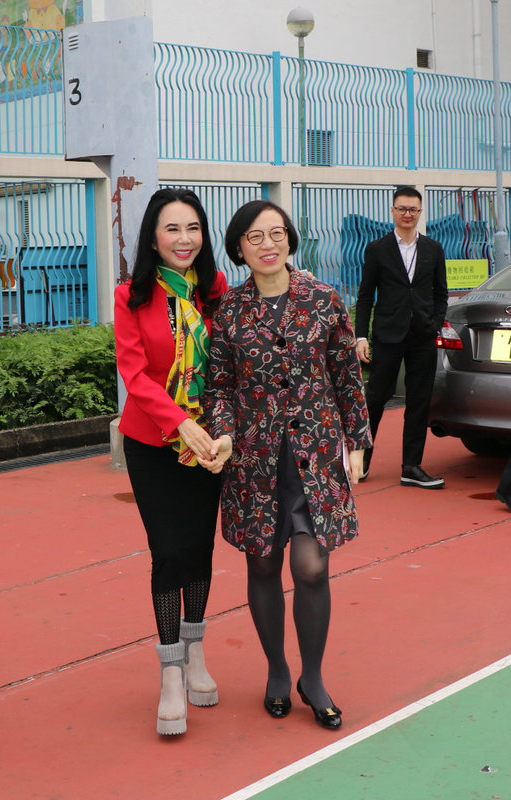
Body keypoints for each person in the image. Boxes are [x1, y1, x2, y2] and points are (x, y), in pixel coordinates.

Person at [199, 199, 372, 729]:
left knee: (311, 566)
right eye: (255, 237)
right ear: (238, 249)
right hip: (254, 460)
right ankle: (277, 669)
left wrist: (357, 442)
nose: (268, 245)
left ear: (290, 239)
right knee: (263, 564)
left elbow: (346, 375)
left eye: (276, 233)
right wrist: (222, 433)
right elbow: (219, 387)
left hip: (315, 455)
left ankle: (312, 677)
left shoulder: (323, 299)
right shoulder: (230, 311)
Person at [114, 188, 228, 736]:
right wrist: (180, 422)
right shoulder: (131, 296)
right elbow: (134, 374)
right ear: (153, 238)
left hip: (210, 445)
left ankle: (196, 651)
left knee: (200, 548)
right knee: (168, 551)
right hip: (154, 441)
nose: (185, 240)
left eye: (193, 228)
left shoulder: (214, 290)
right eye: (172, 229)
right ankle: (170, 673)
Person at [355, 186, 448, 489]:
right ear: (393, 211)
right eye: (402, 208)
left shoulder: (433, 248)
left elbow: (441, 293)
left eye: (413, 209)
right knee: (376, 397)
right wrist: (360, 336)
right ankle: (361, 459)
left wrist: (434, 324)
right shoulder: (377, 249)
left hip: (422, 335)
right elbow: (365, 296)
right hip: (388, 334)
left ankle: (411, 467)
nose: (408, 214)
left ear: (420, 213)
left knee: (419, 401)